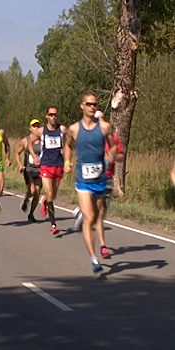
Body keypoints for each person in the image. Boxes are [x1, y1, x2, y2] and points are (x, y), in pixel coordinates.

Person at [64, 91, 116, 274]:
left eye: (95, 104)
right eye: (89, 104)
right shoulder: (74, 129)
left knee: (98, 215)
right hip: (83, 180)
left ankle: (81, 213)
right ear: (82, 106)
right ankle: (94, 258)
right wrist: (67, 162)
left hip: (100, 179)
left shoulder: (105, 127)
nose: (93, 107)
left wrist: (111, 154)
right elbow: (68, 146)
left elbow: (113, 144)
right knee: (90, 218)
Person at [74, 110, 124, 230]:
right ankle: (83, 213)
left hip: (107, 176)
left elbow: (121, 156)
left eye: (102, 119)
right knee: (93, 202)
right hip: (90, 176)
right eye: (97, 119)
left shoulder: (114, 138)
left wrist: (114, 157)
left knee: (104, 207)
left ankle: (81, 212)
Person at [29, 106, 67, 235]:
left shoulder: (62, 129)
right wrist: (34, 156)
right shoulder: (41, 131)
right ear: (46, 116)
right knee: (50, 192)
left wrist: (66, 155)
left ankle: (45, 200)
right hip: (45, 165)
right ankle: (53, 224)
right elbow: (29, 142)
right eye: (51, 115)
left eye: (55, 115)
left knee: (53, 195)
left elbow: (70, 142)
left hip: (58, 165)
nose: (53, 117)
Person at [15, 118, 43, 223]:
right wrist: (20, 165)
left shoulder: (43, 140)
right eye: (34, 126)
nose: (36, 128)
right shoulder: (25, 141)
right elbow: (17, 153)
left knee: (37, 193)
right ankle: (26, 199)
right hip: (29, 170)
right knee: (32, 190)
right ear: (30, 128)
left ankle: (31, 214)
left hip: (40, 170)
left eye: (37, 126)